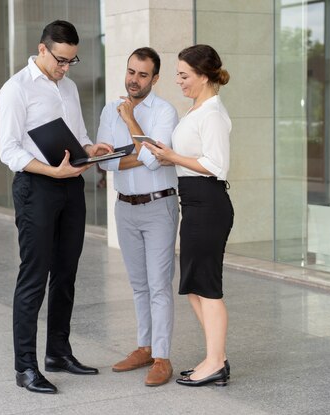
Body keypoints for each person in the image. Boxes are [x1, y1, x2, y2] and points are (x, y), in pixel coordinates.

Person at [0, 20, 112, 395]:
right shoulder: (15, 90)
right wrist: (50, 171)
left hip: (70, 185)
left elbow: (77, 136)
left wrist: (91, 148)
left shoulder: (70, 86)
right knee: (33, 277)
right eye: (61, 60)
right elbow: (9, 150)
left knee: (66, 274)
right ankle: (25, 367)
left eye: (71, 62)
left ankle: (58, 353)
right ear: (42, 49)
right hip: (37, 187)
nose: (65, 68)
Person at [143, 44, 234, 387]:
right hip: (195, 204)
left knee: (207, 287)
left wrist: (173, 157)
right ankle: (216, 357)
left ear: (203, 75)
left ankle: (215, 362)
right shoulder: (197, 109)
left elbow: (216, 165)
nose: (178, 81)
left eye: (183, 75)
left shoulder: (211, 113)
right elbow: (195, 159)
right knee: (195, 286)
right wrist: (169, 158)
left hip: (209, 206)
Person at [96, 47, 179, 386]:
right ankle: (144, 347)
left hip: (159, 206)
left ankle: (162, 357)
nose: (134, 79)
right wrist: (140, 153)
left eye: (143, 74)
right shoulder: (107, 109)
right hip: (124, 206)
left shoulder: (165, 111)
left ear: (154, 78)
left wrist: (130, 119)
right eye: (131, 71)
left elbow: (156, 159)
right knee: (139, 284)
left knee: (159, 285)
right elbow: (102, 161)